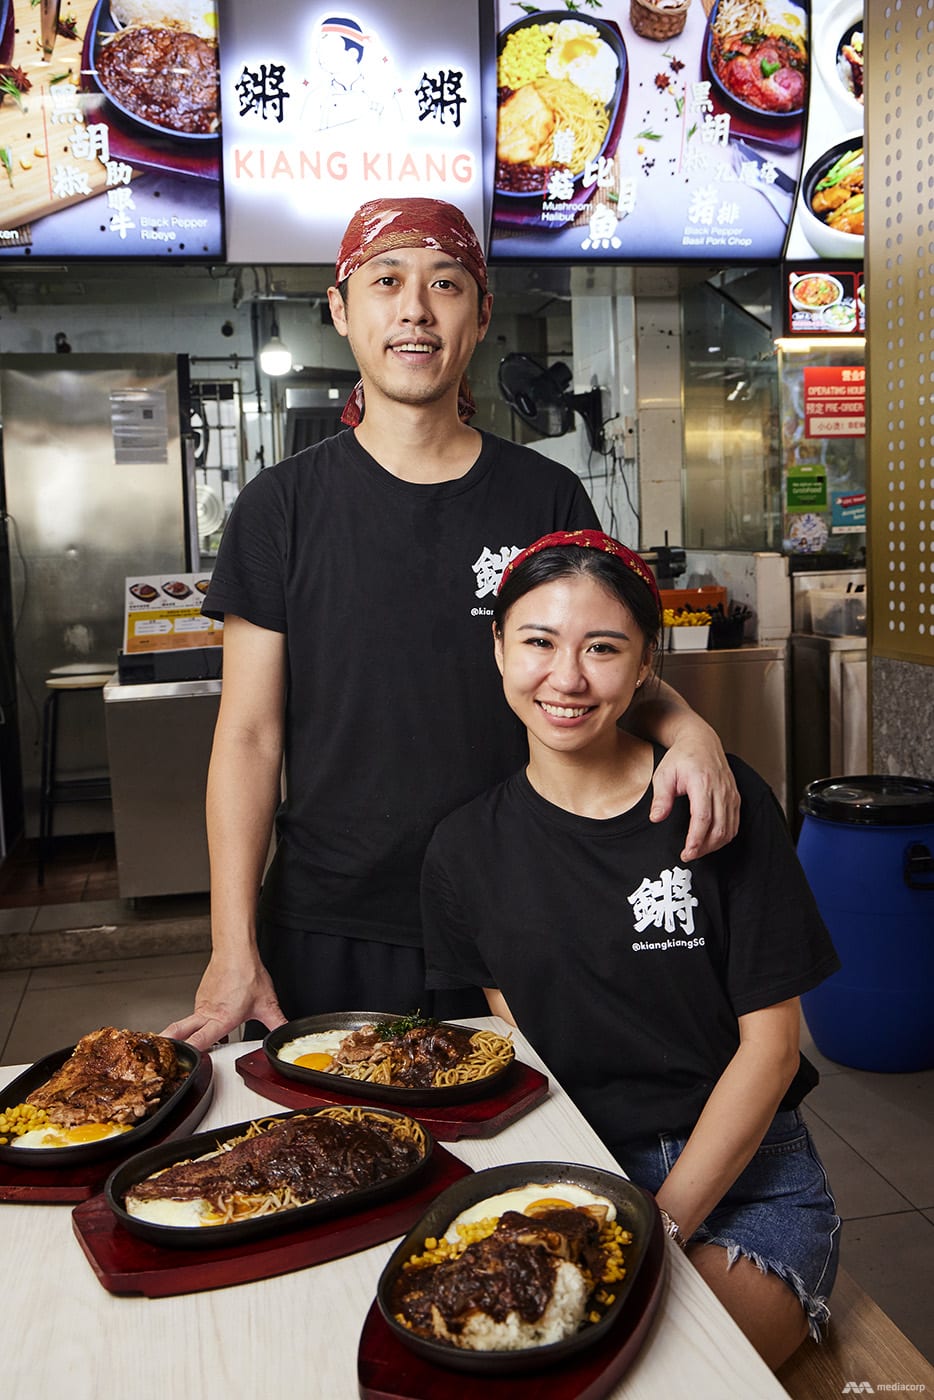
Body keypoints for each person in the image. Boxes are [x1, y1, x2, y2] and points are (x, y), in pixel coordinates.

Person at [163, 198, 740, 1055]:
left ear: (481, 316)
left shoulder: (545, 497)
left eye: (445, 284)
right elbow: (249, 735)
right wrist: (232, 947)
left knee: (537, 1137)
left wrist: (691, 729)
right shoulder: (280, 508)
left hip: (525, 902)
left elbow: (602, 674)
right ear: (340, 310)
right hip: (333, 919)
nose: (415, 310)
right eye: (385, 282)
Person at [420, 529, 841, 1371]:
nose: (567, 678)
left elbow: (771, 1048)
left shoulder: (720, 802)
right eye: (538, 642)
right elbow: (523, 1049)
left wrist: (655, 1227)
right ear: (498, 647)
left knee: (666, 1370)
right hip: (572, 1171)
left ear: (647, 662)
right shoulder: (463, 851)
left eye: (603, 648)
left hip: (751, 1178)